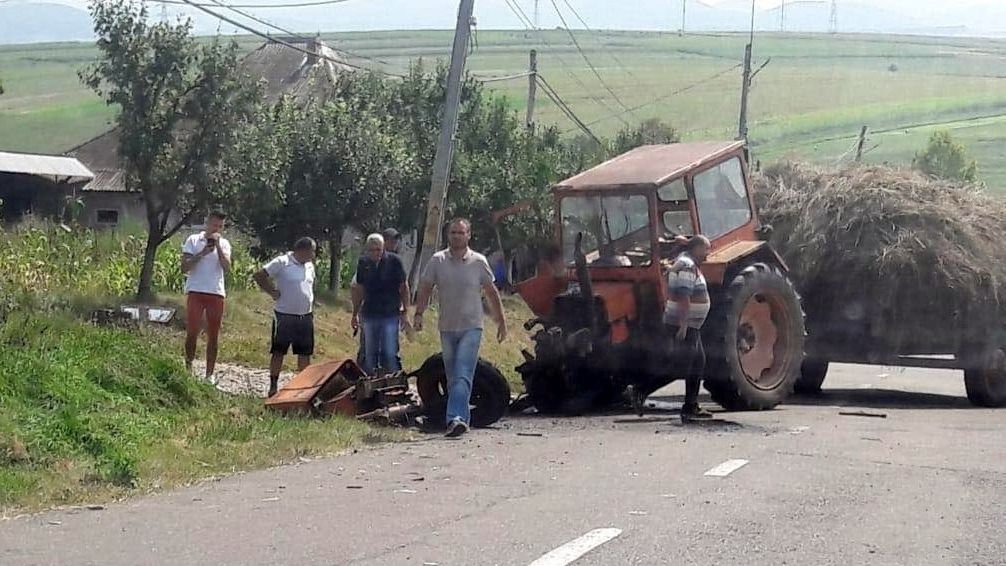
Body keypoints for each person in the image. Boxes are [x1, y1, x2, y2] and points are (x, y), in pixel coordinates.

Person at [414, 219, 508, 438]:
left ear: (468, 235)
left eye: (461, 232)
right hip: (447, 327)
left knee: (462, 373)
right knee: (452, 374)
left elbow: (491, 292)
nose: (457, 236)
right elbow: (426, 287)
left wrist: (501, 321)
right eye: (453, 232)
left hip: (472, 326)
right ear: (449, 235)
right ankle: (462, 420)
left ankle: (454, 418)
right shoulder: (438, 261)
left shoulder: (478, 261)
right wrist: (419, 313)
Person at [253, 237, 318, 397]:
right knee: (279, 351)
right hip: (284, 315)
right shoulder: (282, 262)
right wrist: (272, 291)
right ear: (302, 250)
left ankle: (303, 388)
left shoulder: (309, 266)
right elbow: (260, 275)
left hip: (305, 316)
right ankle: (273, 385)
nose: (313, 255)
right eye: (312, 251)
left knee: (304, 353)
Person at [664, 235, 714, 422]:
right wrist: (683, 325)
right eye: (706, 249)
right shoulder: (686, 265)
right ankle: (639, 391)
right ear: (697, 249)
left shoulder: (685, 262)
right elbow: (684, 296)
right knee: (683, 364)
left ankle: (691, 405)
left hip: (690, 324)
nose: (708, 254)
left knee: (697, 361)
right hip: (685, 324)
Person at [181, 211, 232, 384]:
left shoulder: (224, 244)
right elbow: (184, 267)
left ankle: (209, 374)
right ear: (206, 223)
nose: (216, 229)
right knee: (192, 331)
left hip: (216, 292)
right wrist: (203, 252)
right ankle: (188, 368)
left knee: (213, 334)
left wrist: (217, 247)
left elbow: (226, 267)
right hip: (196, 290)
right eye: (213, 225)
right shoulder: (193, 240)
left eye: (219, 226)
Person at [351, 233, 411, 375]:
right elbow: (359, 289)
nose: (375, 253)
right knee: (369, 354)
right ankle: (369, 387)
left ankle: (395, 384)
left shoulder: (394, 261)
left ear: (383, 248)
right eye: (372, 250)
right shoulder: (363, 263)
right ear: (367, 250)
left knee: (389, 353)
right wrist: (355, 313)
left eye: (378, 249)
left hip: (390, 312)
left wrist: (406, 311)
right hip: (370, 313)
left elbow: (404, 287)